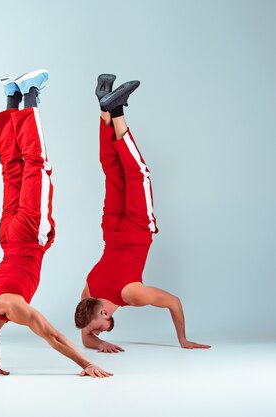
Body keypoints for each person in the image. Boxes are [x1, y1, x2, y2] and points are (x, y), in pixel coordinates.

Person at [0, 70, 112, 378]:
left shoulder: (11, 305)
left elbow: (50, 335)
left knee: (37, 166)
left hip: (26, 235)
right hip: (7, 237)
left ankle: (31, 95)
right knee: (12, 171)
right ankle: (11, 96)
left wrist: (87, 364)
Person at [74, 74, 211, 353]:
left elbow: (174, 302)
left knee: (138, 174)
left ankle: (118, 110)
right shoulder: (88, 293)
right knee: (113, 171)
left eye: (97, 329)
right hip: (111, 230)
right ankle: (105, 107)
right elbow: (86, 337)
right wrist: (98, 343)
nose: (97, 334)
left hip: (136, 230)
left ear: (103, 315)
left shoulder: (131, 296)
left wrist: (182, 340)